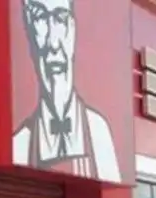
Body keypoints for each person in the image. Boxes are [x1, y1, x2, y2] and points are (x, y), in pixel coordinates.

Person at [13, 0, 122, 182]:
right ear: (29, 37)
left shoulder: (98, 132)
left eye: (60, 19)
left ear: (73, 31)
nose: (53, 44)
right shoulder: (20, 145)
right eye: (40, 18)